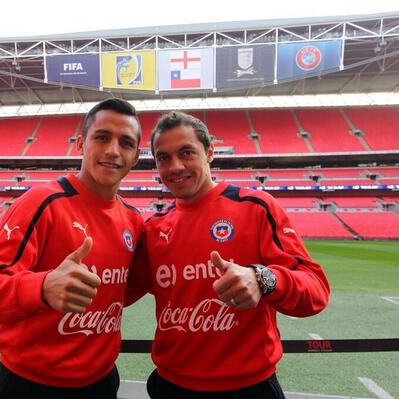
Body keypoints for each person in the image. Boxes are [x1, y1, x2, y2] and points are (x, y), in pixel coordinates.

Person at [127, 111, 330, 399]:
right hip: (172, 386)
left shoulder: (256, 207)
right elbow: (115, 292)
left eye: (187, 152)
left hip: (249, 389)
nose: (175, 166)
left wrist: (261, 278)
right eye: (163, 158)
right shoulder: (154, 229)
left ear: (209, 152)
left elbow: (316, 290)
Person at [0, 98, 144, 399]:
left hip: (102, 382)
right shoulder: (41, 203)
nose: (113, 150)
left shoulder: (134, 221)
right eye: (102, 137)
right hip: (31, 385)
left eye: (126, 143)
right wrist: (43, 287)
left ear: (136, 156)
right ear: (80, 144)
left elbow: (127, 288)